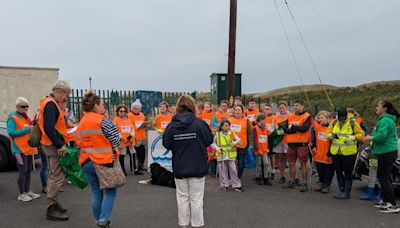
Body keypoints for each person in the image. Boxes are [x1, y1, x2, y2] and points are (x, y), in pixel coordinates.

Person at [163, 94, 213, 228]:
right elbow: (209, 140)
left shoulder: (172, 125)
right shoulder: (199, 124)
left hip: (180, 166)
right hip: (197, 166)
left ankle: (183, 224)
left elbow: (166, 143)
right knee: (196, 199)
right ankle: (197, 225)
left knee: (182, 198)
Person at [76, 91, 121, 227]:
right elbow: (116, 140)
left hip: (86, 162)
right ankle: (103, 219)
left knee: (96, 192)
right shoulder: (103, 120)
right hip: (103, 161)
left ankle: (98, 221)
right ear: (96, 105)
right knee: (110, 191)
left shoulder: (82, 121)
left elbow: (78, 141)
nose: (104, 107)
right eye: (102, 104)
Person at [38, 80, 70, 221]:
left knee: (55, 176)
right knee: (56, 177)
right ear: (60, 92)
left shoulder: (49, 102)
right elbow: (49, 128)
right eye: (66, 95)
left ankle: (54, 204)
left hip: (49, 144)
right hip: (52, 146)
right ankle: (51, 208)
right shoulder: (51, 105)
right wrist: (59, 145)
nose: (66, 98)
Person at [365, 101, 400, 213]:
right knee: (383, 177)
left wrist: (369, 138)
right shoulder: (386, 119)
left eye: (378, 106)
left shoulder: (385, 120)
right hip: (386, 151)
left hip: (387, 152)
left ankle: (393, 205)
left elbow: (381, 137)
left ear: (384, 109)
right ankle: (386, 201)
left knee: (384, 178)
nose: (376, 107)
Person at [7, 97, 40, 202]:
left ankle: (27, 191)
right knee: (23, 171)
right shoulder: (12, 118)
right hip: (18, 150)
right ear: (17, 107)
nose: (26, 108)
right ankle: (21, 194)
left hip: (28, 149)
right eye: (23, 106)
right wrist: (26, 129)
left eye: (27, 107)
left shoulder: (25, 117)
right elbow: (11, 132)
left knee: (28, 171)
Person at [327, 107, 365, 199]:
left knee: (348, 173)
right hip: (336, 152)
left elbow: (361, 134)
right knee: (339, 172)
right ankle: (342, 190)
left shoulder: (352, 123)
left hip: (349, 153)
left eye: (343, 118)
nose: (342, 120)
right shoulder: (334, 122)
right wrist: (331, 136)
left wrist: (354, 137)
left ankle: (346, 193)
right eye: (340, 118)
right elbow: (327, 133)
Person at [282, 99, 312, 192]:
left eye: (297, 105)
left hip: (302, 143)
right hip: (291, 143)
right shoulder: (290, 115)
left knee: (303, 164)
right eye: (294, 105)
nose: (295, 107)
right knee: (291, 163)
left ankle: (304, 183)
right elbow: (285, 128)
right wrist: (295, 130)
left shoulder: (307, 116)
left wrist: (293, 128)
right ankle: (291, 181)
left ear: (302, 106)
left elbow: (305, 128)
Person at [212, 120, 243, 192]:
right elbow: (213, 143)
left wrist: (234, 143)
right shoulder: (218, 134)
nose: (227, 127)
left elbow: (239, 140)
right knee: (222, 170)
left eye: (228, 125)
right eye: (225, 125)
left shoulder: (232, 133)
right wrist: (217, 148)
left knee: (233, 170)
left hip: (230, 154)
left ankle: (236, 185)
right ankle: (224, 185)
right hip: (222, 154)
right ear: (222, 127)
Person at [310, 111, 334, 193]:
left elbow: (334, 141)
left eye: (322, 117)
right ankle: (321, 182)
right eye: (319, 118)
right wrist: (313, 146)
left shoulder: (332, 129)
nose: (320, 119)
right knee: (320, 169)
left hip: (328, 152)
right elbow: (314, 139)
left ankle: (327, 184)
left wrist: (331, 151)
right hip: (319, 152)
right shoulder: (317, 128)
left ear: (327, 119)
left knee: (328, 170)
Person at [228, 105, 253, 179]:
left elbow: (249, 133)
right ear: (234, 111)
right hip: (231, 145)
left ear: (242, 112)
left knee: (241, 164)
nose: (237, 111)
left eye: (239, 110)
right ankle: (231, 178)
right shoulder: (229, 120)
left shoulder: (246, 120)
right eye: (236, 110)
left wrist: (251, 144)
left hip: (242, 145)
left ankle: (238, 178)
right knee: (231, 163)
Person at [113, 105, 136, 176]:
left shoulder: (129, 119)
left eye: (124, 111)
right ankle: (122, 171)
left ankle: (134, 169)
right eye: (121, 111)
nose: (122, 113)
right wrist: (123, 138)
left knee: (133, 154)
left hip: (129, 141)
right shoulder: (115, 120)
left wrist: (129, 138)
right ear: (117, 112)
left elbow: (133, 130)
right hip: (121, 142)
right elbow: (115, 131)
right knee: (121, 156)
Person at [128, 99, 147, 173]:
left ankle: (141, 166)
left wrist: (145, 125)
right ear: (132, 108)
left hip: (142, 136)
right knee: (133, 153)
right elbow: (130, 126)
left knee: (142, 153)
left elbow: (143, 123)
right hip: (134, 137)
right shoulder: (129, 115)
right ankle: (134, 168)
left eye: (138, 108)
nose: (137, 109)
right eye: (135, 108)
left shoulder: (142, 114)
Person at [253, 114, 272, 186]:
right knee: (258, 164)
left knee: (266, 163)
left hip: (264, 149)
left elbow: (267, 138)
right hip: (258, 149)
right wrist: (256, 148)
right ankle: (258, 177)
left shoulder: (266, 128)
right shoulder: (255, 128)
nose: (265, 122)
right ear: (260, 120)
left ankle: (266, 178)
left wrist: (267, 147)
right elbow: (254, 139)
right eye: (264, 120)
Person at [273, 101, 289, 184]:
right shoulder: (275, 117)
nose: (281, 109)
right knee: (280, 158)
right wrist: (276, 132)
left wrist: (286, 131)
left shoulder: (290, 116)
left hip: (288, 140)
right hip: (279, 141)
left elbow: (291, 128)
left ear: (286, 107)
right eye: (280, 108)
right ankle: (282, 176)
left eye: (283, 107)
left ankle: (294, 177)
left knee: (289, 159)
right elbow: (272, 128)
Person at [263, 104, 276, 179]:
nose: (266, 110)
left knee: (272, 155)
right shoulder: (262, 117)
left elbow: (274, 128)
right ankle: (266, 171)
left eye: (268, 109)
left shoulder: (273, 117)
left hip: (271, 138)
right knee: (265, 156)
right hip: (263, 139)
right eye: (265, 109)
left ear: (271, 110)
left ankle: (273, 171)